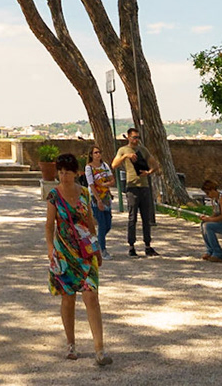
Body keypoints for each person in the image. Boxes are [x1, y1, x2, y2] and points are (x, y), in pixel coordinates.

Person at [44, 152, 112, 366]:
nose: (64, 176)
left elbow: (90, 222)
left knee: (91, 297)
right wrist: (50, 250)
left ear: (76, 173)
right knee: (68, 298)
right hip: (64, 253)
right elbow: (49, 224)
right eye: (61, 173)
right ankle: (71, 344)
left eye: (67, 173)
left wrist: (97, 250)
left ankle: (99, 349)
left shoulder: (84, 193)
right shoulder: (54, 195)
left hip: (85, 252)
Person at [111, 128, 156, 256]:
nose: (136, 140)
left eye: (138, 137)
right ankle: (131, 246)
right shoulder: (123, 150)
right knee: (132, 218)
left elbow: (155, 165)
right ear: (128, 138)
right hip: (132, 187)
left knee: (146, 218)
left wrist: (148, 172)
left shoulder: (143, 150)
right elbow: (114, 165)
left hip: (144, 187)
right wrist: (126, 156)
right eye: (134, 137)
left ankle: (148, 245)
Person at [83, 145, 115, 252]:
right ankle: (102, 249)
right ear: (91, 155)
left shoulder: (105, 166)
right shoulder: (89, 168)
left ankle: (96, 241)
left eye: (99, 152)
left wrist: (105, 185)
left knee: (108, 224)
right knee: (101, 223)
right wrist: (98, 200)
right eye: (95, 153)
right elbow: (92, 184)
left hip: (106, 196)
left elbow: (111, 180)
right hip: (95, 197)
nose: (98, 155)